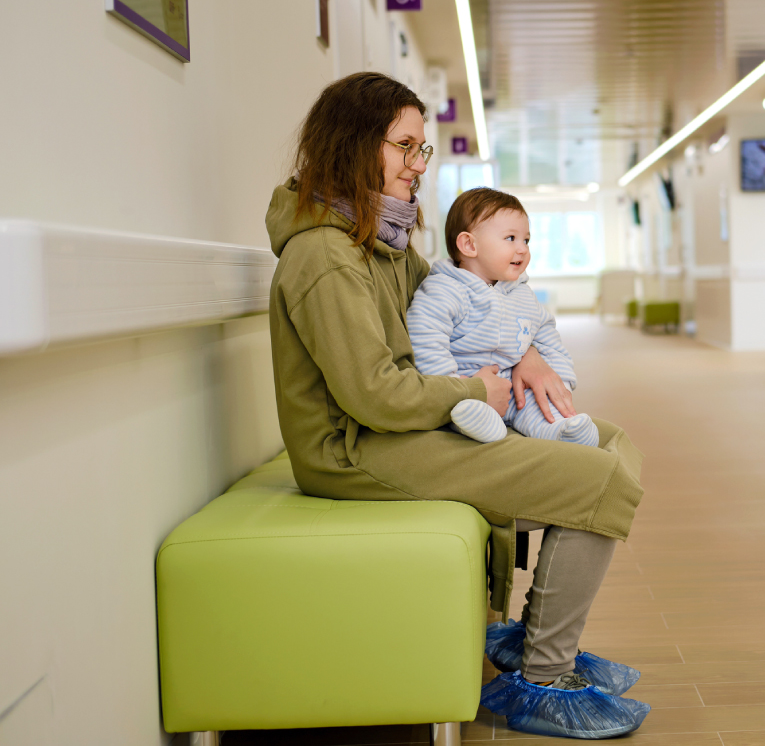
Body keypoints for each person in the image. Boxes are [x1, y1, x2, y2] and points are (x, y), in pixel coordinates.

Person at [264, 72, 649, 738]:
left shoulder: (377, 240)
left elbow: (474, 309)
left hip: (405, 426)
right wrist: (476, 391)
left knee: (609, 441)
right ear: (358, 144)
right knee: (599, 476)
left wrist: (525, 354)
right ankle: (541, 675)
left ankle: (526, 638)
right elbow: (371, 394)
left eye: (423, 150)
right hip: (356, 449)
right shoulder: (326, 255)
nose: (418, 165)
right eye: (406, 147)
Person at [406, 187, 600, 447]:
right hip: (467, 386)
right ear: (469, 245)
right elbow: (425, 339)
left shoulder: (522, 294)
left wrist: (561, 383)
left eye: (526, 240)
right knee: (466, 411)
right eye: (510, 238)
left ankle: (563, 431)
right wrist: (453, 387)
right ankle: (483, 425)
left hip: (514, 387)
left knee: (538, 407)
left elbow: (548, 340)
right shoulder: (445, 289)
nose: (522, 249)